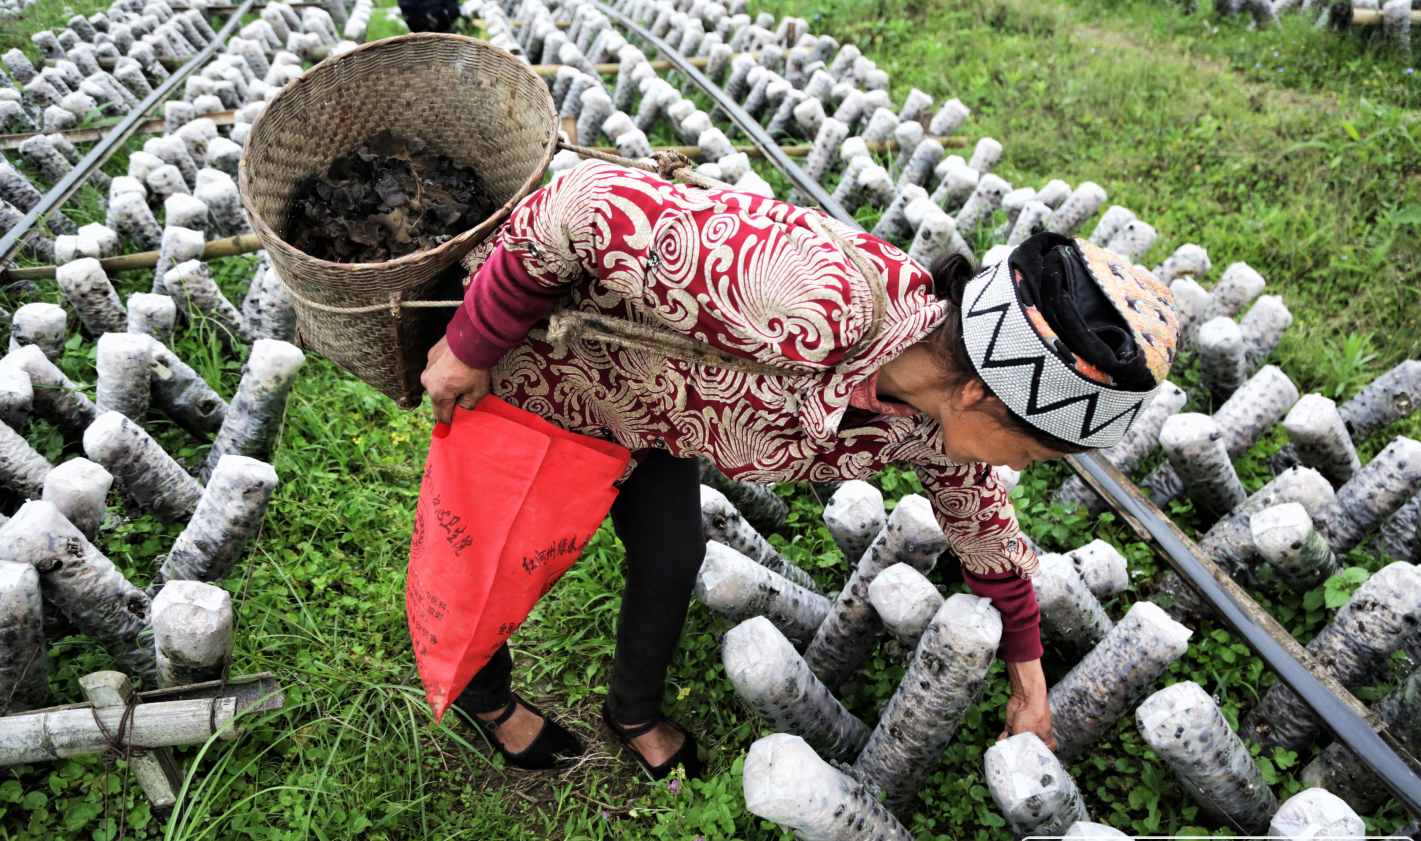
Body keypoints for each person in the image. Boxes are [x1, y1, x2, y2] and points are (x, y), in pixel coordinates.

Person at [420, 161, 1179, 779]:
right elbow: (583, 206)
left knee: (671, 555)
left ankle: (631, 711)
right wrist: (471, 342)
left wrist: (1029, 682)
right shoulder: (817, 296)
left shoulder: (932, 419)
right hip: (549, 379)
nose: (1018, 467)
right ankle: (489, 702)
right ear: (981, 393)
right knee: (488, 555)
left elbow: (983, 526)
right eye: (1032, 450)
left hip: (660, 418)